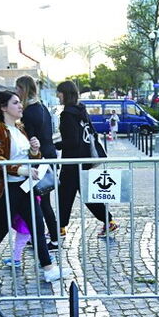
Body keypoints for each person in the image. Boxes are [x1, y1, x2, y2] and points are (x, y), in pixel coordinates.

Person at [0, 90, 69, 284]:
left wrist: (34, 150)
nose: (20, 105)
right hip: (4, 189)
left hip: (24, 187)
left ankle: (48, 268)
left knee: (37, 225)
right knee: (0, 228)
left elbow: (30, 158)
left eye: (19, 102)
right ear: (3, 107)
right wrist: (23, 170)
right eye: (15, 103)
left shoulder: (19, 127)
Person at [55, 79, 118, 238]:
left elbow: (72, 141)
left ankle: (60, 228)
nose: (57, 96)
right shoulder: (81, 110)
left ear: (65, 94)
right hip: (84, 160)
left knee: (65, 195)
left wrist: (55, 145)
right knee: (86, 195)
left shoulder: (67, 114)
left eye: (59, 93)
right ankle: (109, 221)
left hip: (72, 161)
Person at [15, 75, 59, 249]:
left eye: (17, 88)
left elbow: (31, 140)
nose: (16, 92)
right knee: (41, 201)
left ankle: (53, 238)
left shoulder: (28, 112)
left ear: (24, 89)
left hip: (39, 160)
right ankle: (40, 236)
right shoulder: (41, 107)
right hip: (48, 156)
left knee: (42, 202)